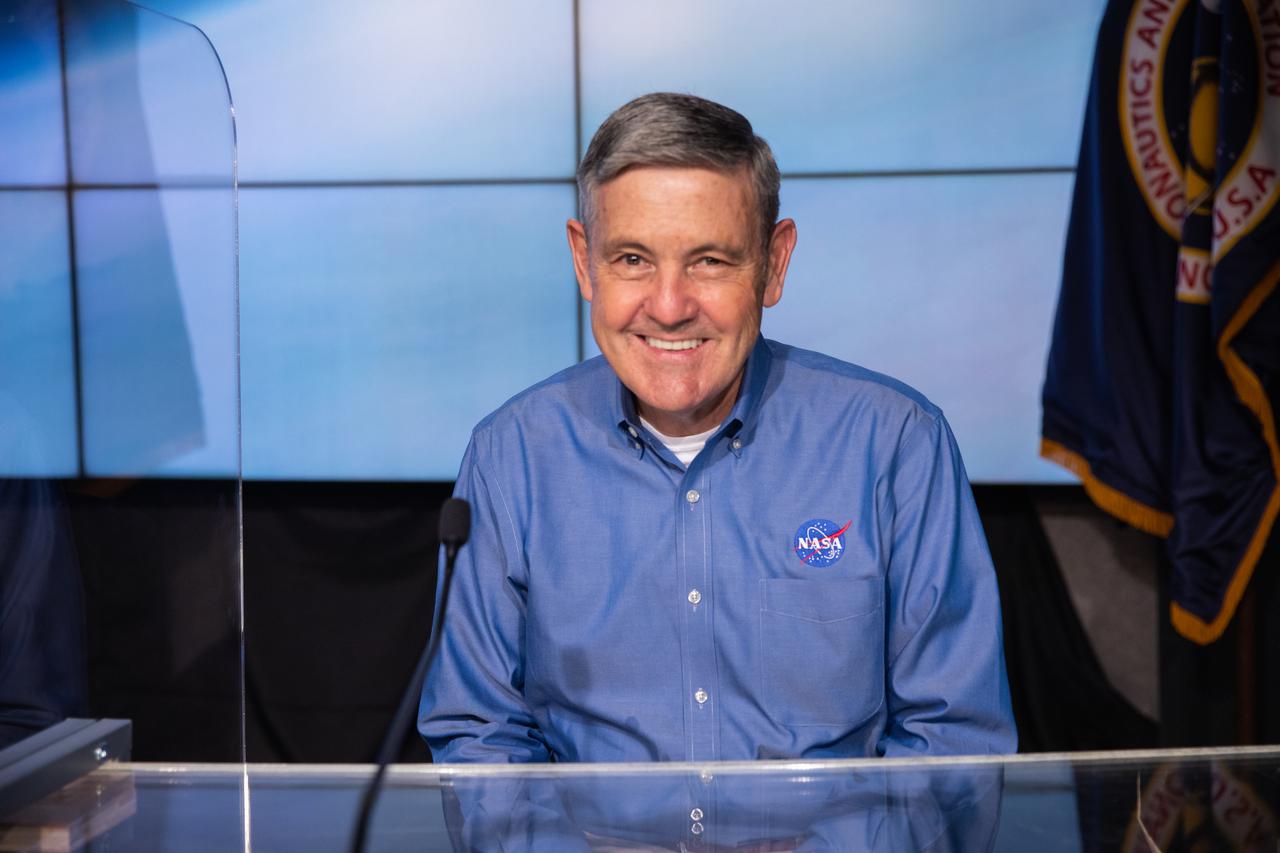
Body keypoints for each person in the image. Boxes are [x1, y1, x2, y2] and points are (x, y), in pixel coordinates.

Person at [419, 92, 1015, 764]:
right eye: (633, 259)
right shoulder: (511, 457)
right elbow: (479, 740)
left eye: (709, 260)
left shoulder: (897, 444)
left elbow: (953, 739)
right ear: (585, 262)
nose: (670, 307)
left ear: (774, 263)